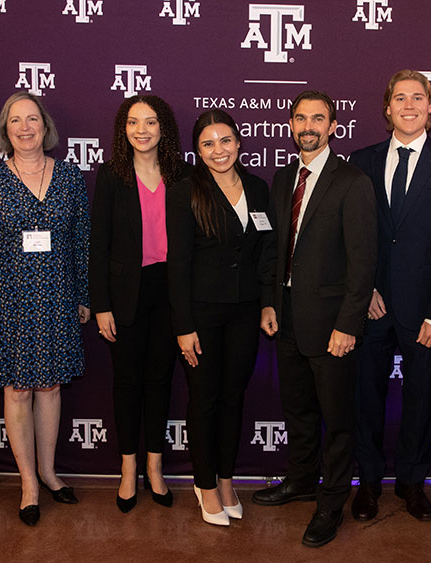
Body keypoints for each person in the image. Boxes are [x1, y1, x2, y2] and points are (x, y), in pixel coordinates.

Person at [252, 90, 377, 548]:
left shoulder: (352, 182)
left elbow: (364, 263)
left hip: (331, 326)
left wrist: (348, 324)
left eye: (318, 119)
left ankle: (331, 502)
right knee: (298, 410)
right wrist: (269, 303)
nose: (309, 126)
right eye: (301, 118)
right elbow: (274, 249)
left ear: (333, 127)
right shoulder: (283, 179)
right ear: (289, 125)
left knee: (338, 420)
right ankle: (301, 479)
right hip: (286, 319)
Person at [347, 69, 431, 522]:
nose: (409, 105)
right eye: (399, 98)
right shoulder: (360, 161)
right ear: (387, 108)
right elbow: (351, 238)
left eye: (418, 97)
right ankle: (368, 485)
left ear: (430, 107)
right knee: (366, 400)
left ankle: (412, 484)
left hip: (426, 312)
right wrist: (365, 292)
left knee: (420, 398)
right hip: (373, 306)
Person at [0, 91, 90, 526]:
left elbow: (81, 243)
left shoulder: (71, 177)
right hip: (9, 300)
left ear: (45, 126)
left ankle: (50, 472)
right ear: (5, 129)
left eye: (32, 119)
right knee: (17, 390)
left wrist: (83, 296)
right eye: (15, 120)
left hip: (58, 296)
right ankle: (28, 484)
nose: (24, 127)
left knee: (51, 388)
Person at [167, 109, 271, 526]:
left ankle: (227, 478)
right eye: (208, 143)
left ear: (239, 143)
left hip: (246, 313)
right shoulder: (184, 191)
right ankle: (205, 483)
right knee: (205, 398)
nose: (218, 150)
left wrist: (267, 302)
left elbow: (266, 255)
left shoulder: (259, 189)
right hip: (202, 315)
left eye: (225, 140)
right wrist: (183, 326)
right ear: (197, 150)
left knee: (233, 397)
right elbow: (178, 265)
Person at [89, 95, 186, 513]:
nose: (141, 130)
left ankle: (156, 468)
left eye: (150, 122)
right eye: (133, 122)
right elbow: (98, 245)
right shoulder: (111, 175)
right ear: (122, 129)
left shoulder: (180, 175)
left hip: (169, 291)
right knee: (127, 384)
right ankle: (128, 469)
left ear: (163, 127)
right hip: (125, 296)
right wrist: (101, 305)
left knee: (160, 383)